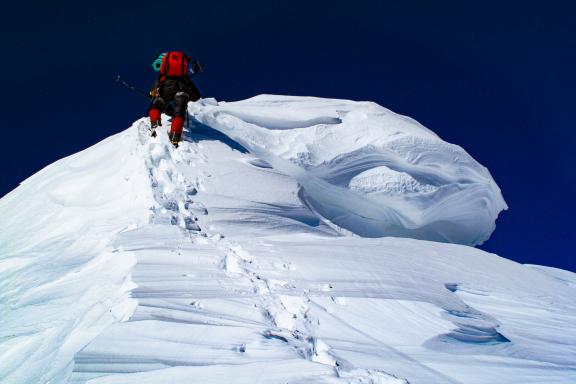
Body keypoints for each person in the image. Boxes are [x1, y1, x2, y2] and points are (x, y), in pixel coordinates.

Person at [148, 52, 202, 147]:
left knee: (157, 105)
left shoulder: (163, 75)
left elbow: (155, 87)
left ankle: (155, 127)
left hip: (166, 87)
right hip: (183, 89)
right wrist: (190, 97)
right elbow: (196, 96)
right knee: (179, 111)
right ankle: (175, 137)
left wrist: (152, 93)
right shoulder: (184, 77)